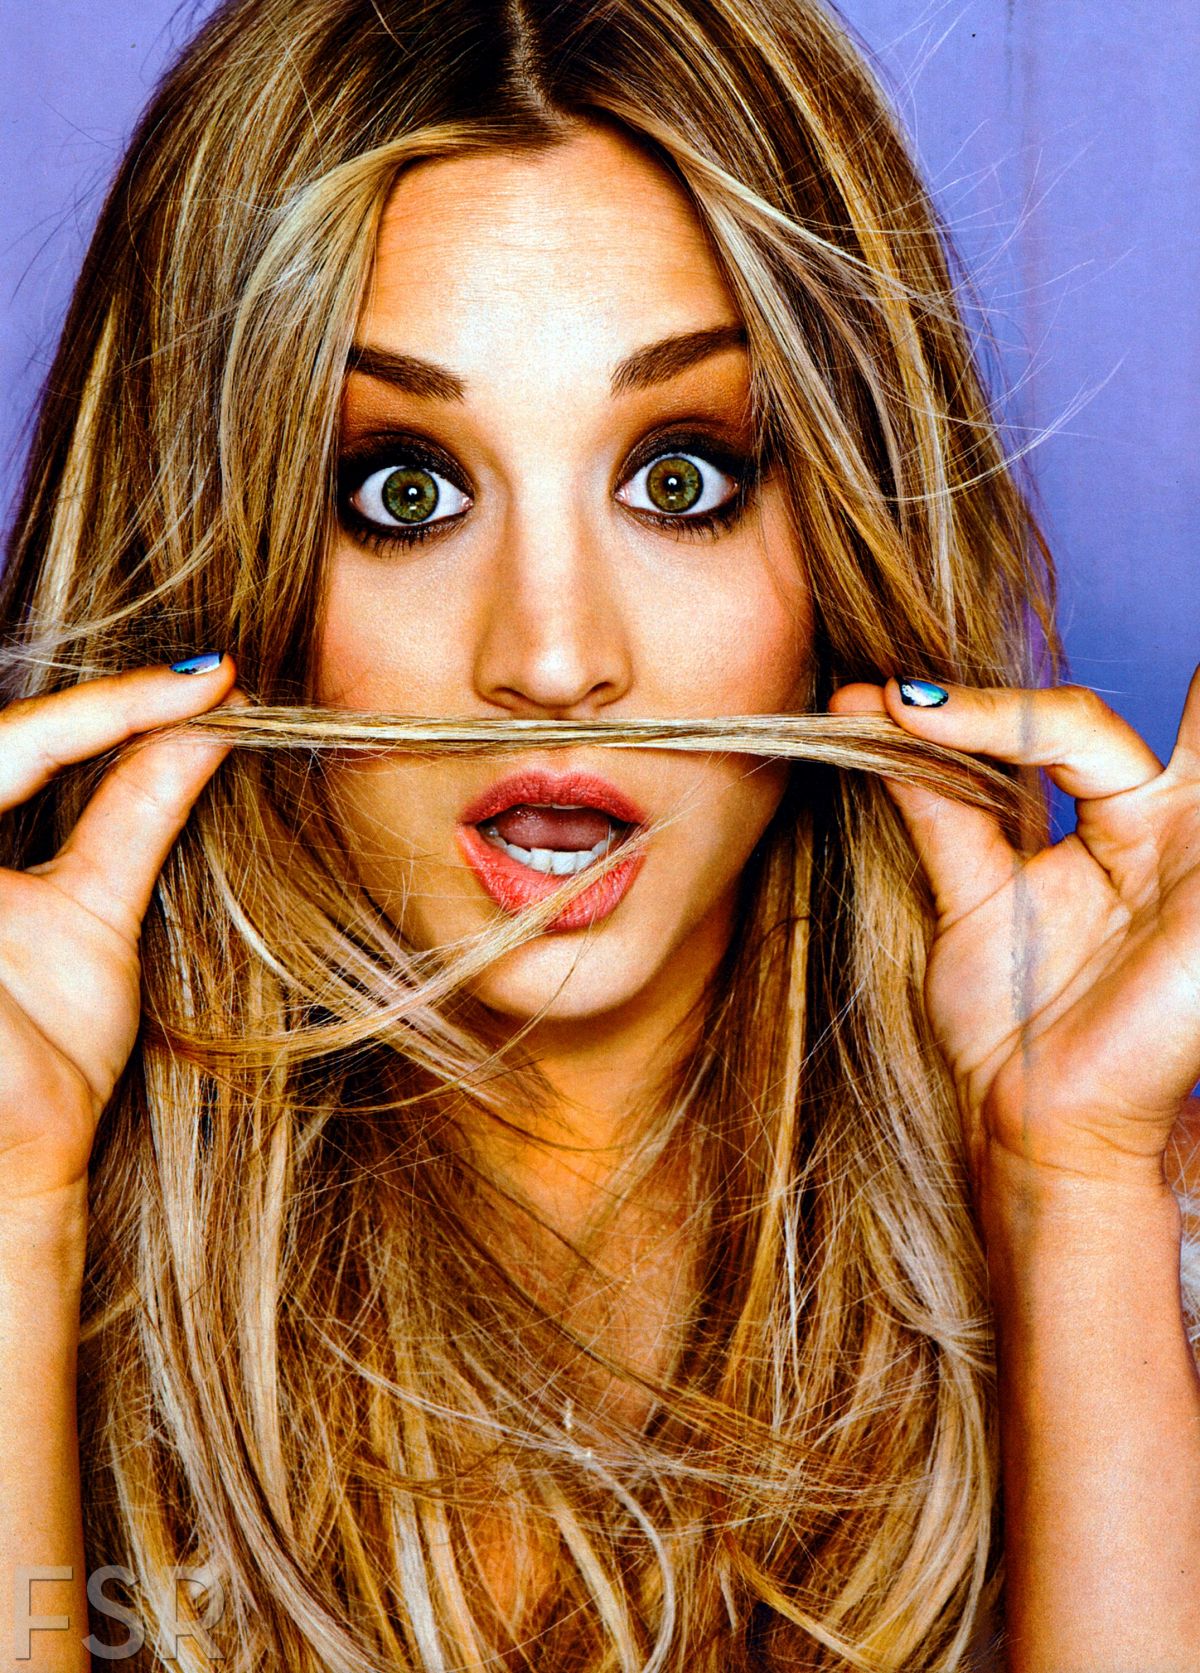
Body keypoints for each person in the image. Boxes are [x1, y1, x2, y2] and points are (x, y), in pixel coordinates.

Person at [1, 0, 1198, 1668]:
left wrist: (1076, 1193)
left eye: (682, 477)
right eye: (402, 489)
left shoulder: (1138, 1229)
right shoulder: (46, 1216)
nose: (556, 659)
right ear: (219, 572)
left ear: (844, 536)